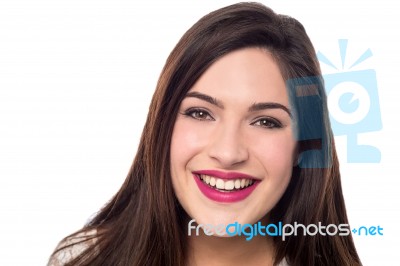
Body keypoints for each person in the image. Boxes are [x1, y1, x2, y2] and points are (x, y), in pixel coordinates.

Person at [48, 2, 362, 265]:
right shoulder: (84, 258)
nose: (228, 152)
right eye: (200, 113)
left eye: (266, 121)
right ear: (163, 126)